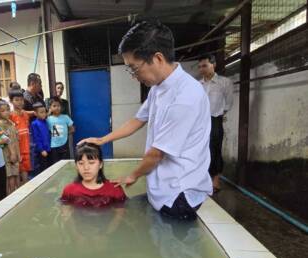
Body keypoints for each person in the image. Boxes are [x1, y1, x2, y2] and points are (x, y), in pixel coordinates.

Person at [80, 18, 212, 221]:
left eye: (134, 68)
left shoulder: (186, 96)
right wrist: (103, 140)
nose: (133, 76)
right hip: (163, 184)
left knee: (168, 245)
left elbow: (156, 154)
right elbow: (137, 120)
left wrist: (133, 175)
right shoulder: (158, 88)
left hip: (179, 193)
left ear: (158, 59)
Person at [198, 55, 234, 192]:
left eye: (205, 66)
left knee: (215, 149)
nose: (202, 69)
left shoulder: (224, 82)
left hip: (214, 119)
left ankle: (216, 180)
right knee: (200, 150)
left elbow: (229, 103)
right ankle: (203, 180)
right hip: (199, 121)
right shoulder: (197, 84)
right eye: (200, 66)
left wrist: (219, 114)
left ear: (213, 65)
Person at [61, 143, 127, 207]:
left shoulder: (115, 189)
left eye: (91, 163)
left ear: (100, 164)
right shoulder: (69, 190)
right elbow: (66, 214)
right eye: (81, 163)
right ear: (76, 166)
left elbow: (120, 215)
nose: (86, 168)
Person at [0, 100, 21, 195]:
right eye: (3, 111)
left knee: (15, 173)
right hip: (7, 154)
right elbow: (6, 140)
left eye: (7, 110)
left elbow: (16, 139)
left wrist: (18, 153)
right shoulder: (0, 124)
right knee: (10, 175)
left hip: (15, 151)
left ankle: (16, 192)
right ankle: (10, 195)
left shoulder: (10, 122)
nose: (6, 112)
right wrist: (12, 153)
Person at [9, 89, 32, 184]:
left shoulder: (26, 114)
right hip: (16, 148)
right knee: (16, 170)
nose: (20, 102)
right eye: (17, 100)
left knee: (25, 169)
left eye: (21, 100)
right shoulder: (10, 115)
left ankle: (26, 188)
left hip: (26, 147)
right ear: (11, 101)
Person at [47, 96, 74, 164]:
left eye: (58, 105)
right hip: (53, 145)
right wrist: (48, 113)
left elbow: (72, 129)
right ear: (50, 107)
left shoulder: (65, 117)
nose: (57, 108)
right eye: (54, 106)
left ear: (61, 107)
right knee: (55, 164)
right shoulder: (48, 119)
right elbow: (47, 131)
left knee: (65, 163)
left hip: (64, 145)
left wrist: (65, 134)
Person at [30, 103, 51, 174]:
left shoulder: (45, 121)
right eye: (41, 112)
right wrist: (41, 150)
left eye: (45, 112)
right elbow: (36, 138)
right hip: (41, 151)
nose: (44, 114)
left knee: (49, 168)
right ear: (35, 113)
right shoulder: (34, 123)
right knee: (43, 170)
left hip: (48, 149)